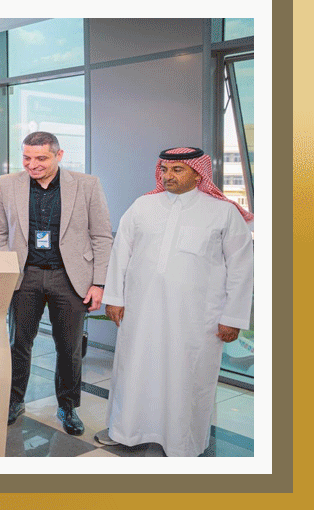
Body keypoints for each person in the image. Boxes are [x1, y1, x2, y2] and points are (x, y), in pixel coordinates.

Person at [96, 147, 254, 457]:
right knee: (134, 371)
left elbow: (241, 268)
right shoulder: (142, 206)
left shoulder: (222, 212)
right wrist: (114, 298)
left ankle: (182, 443)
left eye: (177, 170)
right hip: (141, 312)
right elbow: (120, 253)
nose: (168, 176)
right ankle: (126, 431)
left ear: (198, 174)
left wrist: (232, 317)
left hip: (196, 318)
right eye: (165, 169)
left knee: (188, 377)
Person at [0, 131, 112, 435]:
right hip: (25, 275)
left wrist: (99, 283)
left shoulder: (87, 185)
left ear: (59, 155)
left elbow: (101, 236)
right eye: (27, 158)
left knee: (69, 348)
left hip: (69, 277)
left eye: (41, 158)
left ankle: (68, 407)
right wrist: (2, 274)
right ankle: (14, 401)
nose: (32, 165)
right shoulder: (6, 184)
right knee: (19, 344)